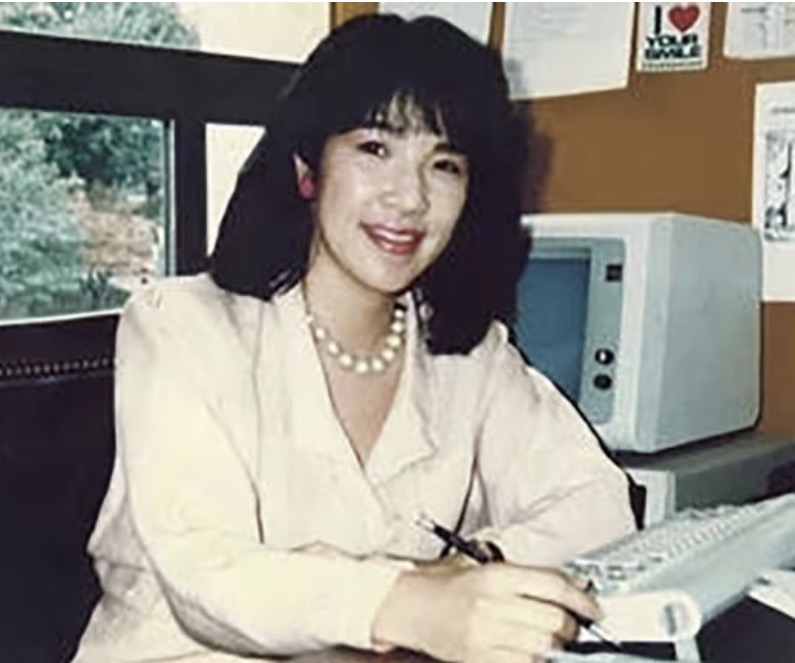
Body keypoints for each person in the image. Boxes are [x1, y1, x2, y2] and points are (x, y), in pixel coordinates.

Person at [73, 13, 635, 663]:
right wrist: (409, 602)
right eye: (375, 149)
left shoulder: (469, 355)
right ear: (307, 169)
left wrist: (473, 567)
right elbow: (209, 572)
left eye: (445, 164)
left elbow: (600, 503)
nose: (410, 198)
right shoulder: (181, 324)